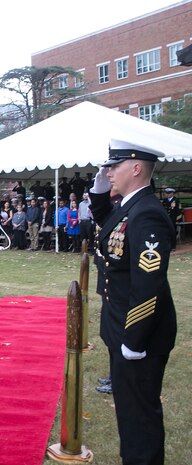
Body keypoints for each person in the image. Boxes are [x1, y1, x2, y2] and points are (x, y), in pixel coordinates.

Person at [89, 139, 176, 465]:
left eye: (115, 166)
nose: (108, 172)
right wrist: (98, 192)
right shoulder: (131, 207)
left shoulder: (148, 214)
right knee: (129, 410)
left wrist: (134, 339)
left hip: (138, 333)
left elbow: (148, 285)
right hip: (120, 326)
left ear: (136, 168)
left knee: (139, 415)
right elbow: (107, 224)